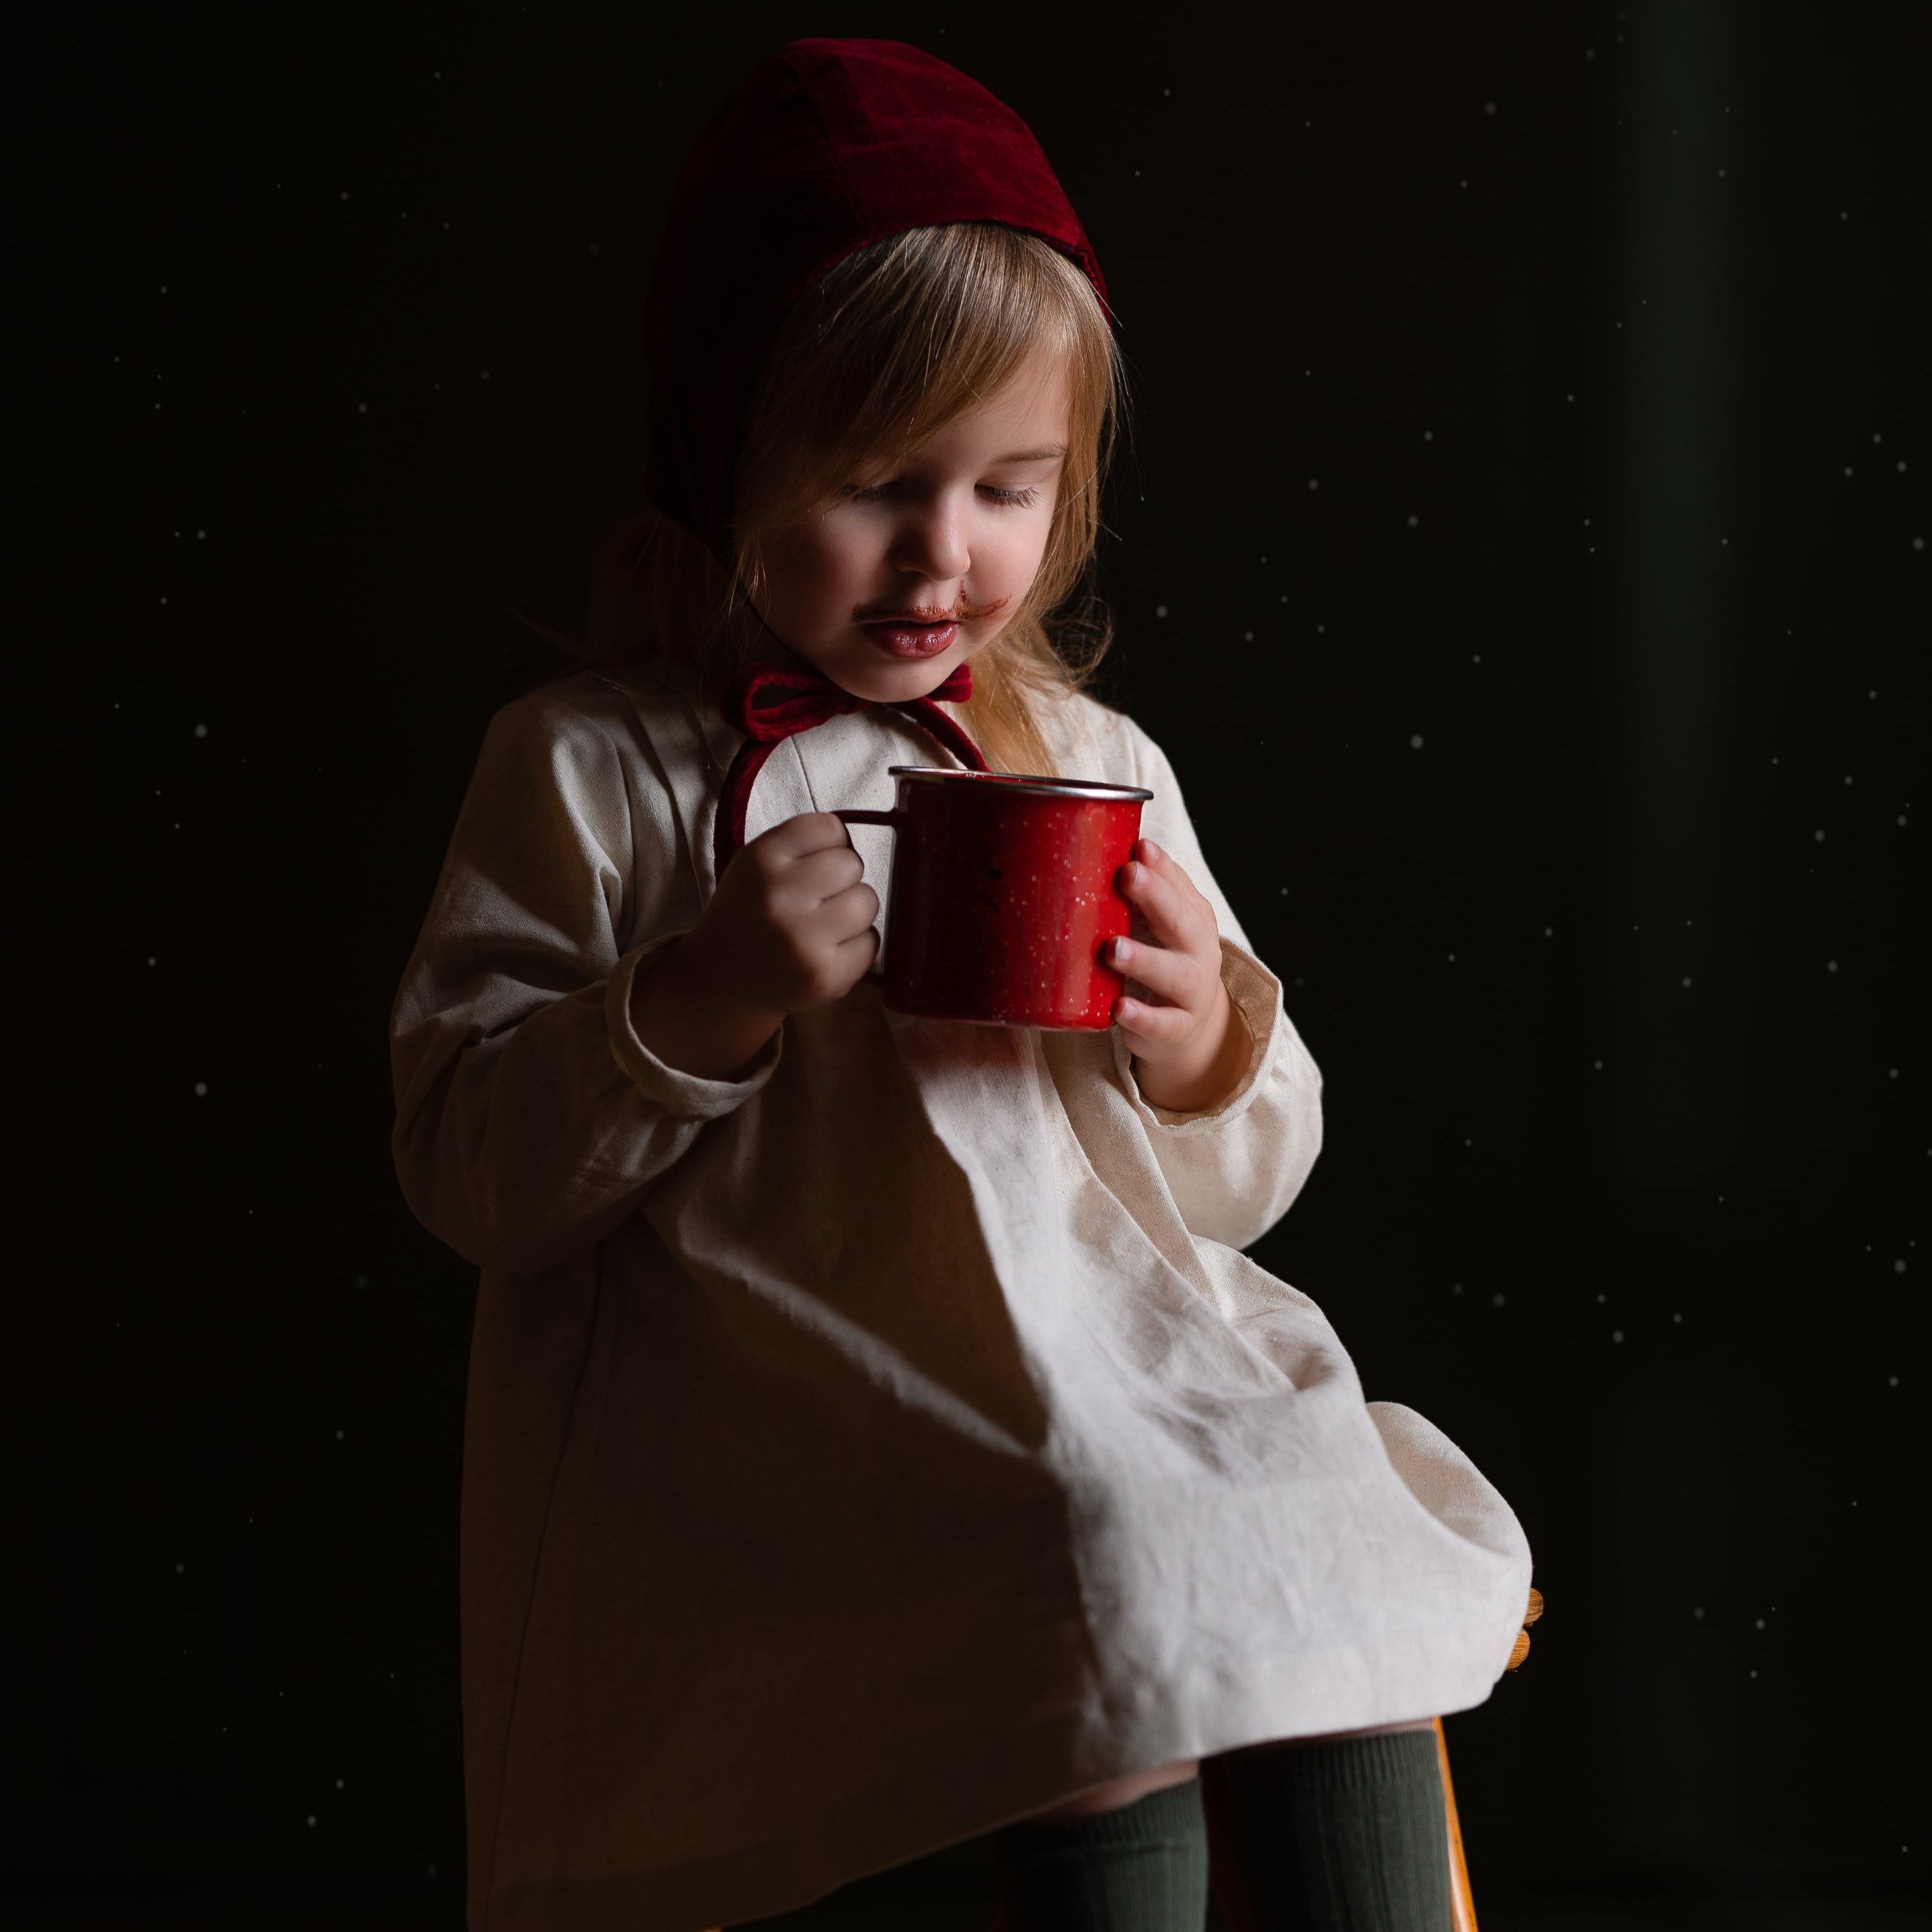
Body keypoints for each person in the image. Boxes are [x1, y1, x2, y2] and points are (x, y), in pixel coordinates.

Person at [389, 36, 1533, 1932]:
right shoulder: (592, 768)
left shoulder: (1078, 750)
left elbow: (1250, 1174)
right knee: (1102, 1550)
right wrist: (696, 999)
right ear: (723, 452)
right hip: (797, 1410)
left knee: (1319, 1531)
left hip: (1105, 1372)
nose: (946, 557)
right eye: (876, 485)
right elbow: (469, 1165)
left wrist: (1202, 1040)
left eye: (1009, 487)